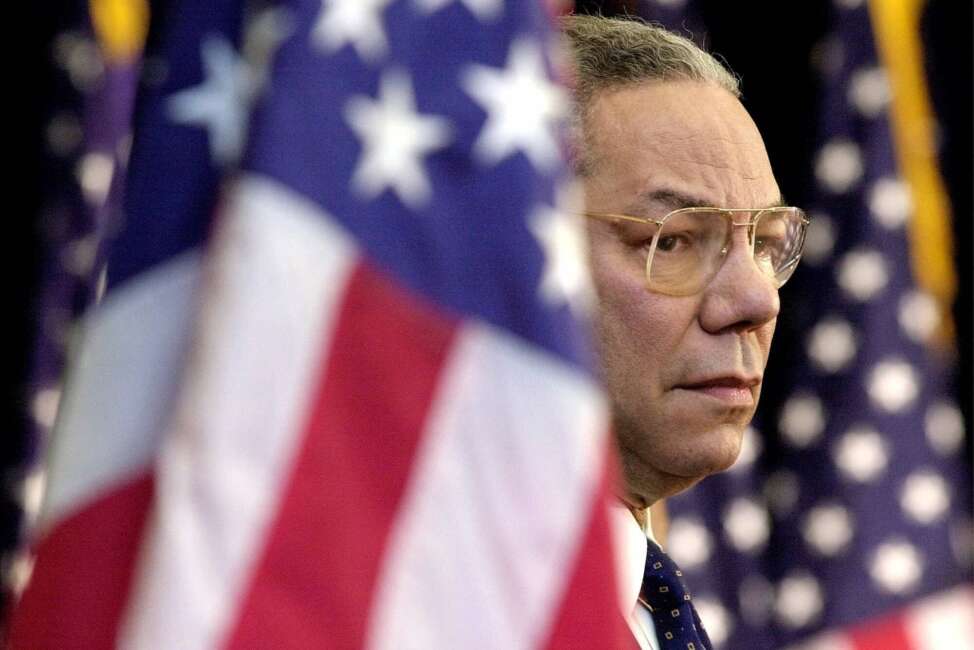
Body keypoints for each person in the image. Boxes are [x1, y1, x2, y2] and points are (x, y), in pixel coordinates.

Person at [562, 14, 809, 649]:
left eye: (764, 243)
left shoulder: (643, 604)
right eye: (673, 241)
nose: (757, 300)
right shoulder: (411, 606)